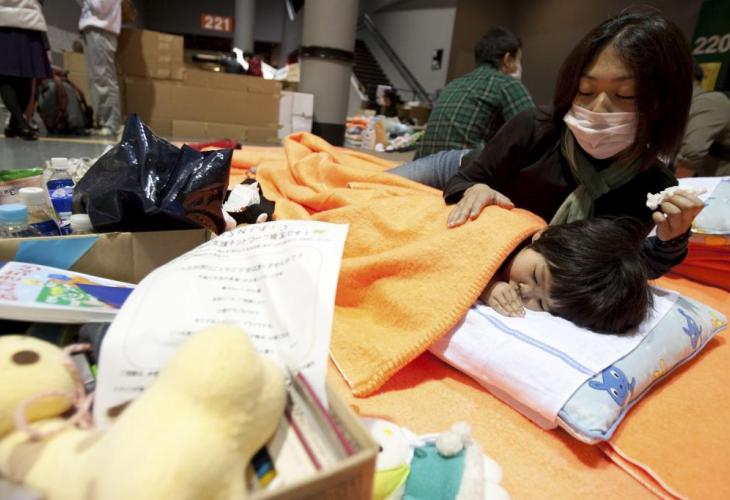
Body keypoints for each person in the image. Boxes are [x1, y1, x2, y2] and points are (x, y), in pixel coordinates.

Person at [394, 8, 704, 280]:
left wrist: (672, 239)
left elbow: (626, 269)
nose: (597, 108)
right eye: (585, 91)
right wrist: (475, 188)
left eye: (624, 95)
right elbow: (464, 180)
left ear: (663, 104)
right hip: (463, 164)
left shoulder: (655, 187)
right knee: (374, 188)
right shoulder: (535, 126)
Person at [483, 217, 651, 333]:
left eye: (541, 303)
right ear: (543, 236)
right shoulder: (502, 229)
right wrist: (486, 286)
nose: (526, 292)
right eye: (535, 276)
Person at [413, 26, 533, 159]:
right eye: (518, 60)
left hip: (420, 165)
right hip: (461, 168)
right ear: (508, 59)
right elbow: (534, 136)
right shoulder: (507, 83)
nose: (519, 66)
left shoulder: (453, 84)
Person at [0, 0, 52, 140]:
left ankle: (14, 124)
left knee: (20, 78)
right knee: (12, 77)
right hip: (27, 18)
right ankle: (21, 124)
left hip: (18, 19)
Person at [675, 60, 730, 177]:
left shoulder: (708, 102)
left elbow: (691, 155)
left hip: (720, 184)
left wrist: (671, 188)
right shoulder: (684, 108)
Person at [78, 0, 121, 136]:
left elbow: (100, 5)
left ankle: (111, 123)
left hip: (102, 28)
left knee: (104, 77)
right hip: (94, 27)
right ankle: (104, 121)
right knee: (96, 79)